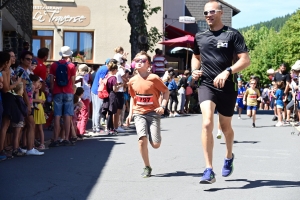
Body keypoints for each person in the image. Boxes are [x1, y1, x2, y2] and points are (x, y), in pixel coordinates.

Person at [191, 0, 250, 184]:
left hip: (228, 86)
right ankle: (208, 169)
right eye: (206, 12)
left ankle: (229, 156)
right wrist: (194, 70)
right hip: (206, 84)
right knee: (207, 122)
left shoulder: (232, 35)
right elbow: (196, 56)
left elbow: (245, 60)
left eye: (211, 12)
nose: (208, 15)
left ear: (221, 13)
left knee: (225, 127)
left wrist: (228, 71)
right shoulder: (200, 36)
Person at [125, 51, 169, 178]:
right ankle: (147, 166)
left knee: (156, 145)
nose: (139, 62)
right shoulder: (132, 81)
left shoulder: (154, 78)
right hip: (139, 113)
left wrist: (163, 106)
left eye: (142, 61)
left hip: (154, 113)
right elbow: (134, 98)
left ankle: (153, 135)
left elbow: (166, 92)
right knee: (141, 140)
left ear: (148, 64)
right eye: (137, 60)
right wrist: (130, 114)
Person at [15, 52, 44, 155]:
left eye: (31, 59)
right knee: (30, 124)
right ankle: (30, 148)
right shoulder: (20, 70)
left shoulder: (25, 71)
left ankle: (24, 147)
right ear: (22, 59)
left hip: (26, 101)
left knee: (26, 125)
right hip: (23, 101)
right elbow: (20, 88)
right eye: (27, 59)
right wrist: (28, 104)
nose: (30, 61)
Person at [49, 46, 76, 147]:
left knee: (57, 116)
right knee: (67, 116)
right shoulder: (72, 66)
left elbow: (51, 81)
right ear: (68, 55)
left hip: (57, 92)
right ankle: (66, 138)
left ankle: (55, 139)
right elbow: (73, 82)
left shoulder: (53, 65)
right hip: (68, 92)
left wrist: (52, 91)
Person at [90, 59, 109, 133]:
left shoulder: (102, 68)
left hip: (94, 90)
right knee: (98, 110)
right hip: (98, 91)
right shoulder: (105, 69)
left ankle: (95, 126)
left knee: (95, 110)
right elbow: (101, 81)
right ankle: (97, 127)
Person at [101, 61, 120, 134]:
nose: (117, 71)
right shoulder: (113, 78)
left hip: (106, 94)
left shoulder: (107, 76)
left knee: (107, 111)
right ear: (114, 70)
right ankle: (109, 128)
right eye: (116, 70)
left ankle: (109, 127)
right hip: (112, 95)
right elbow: (115, 89)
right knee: (111, 112)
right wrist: (119, 86)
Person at [75, 64, 91, 136]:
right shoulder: (80, 78)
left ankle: (79, 131)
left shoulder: (81, 78)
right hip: (83, 99)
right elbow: (79, 90)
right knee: (84, 115)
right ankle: (81, 131)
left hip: (83, 98)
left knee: (81, 116)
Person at [33, 80, 46, 149]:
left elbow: (41, 102)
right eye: (38, 83)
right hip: (34, 110)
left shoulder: (42, 93)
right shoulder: (32, 92)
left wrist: (37, 93)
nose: (39, 85)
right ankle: (32, 143)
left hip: (39, 110)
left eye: (40, 84)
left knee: (40, 128)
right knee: (33, 128)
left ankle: (42, 143)